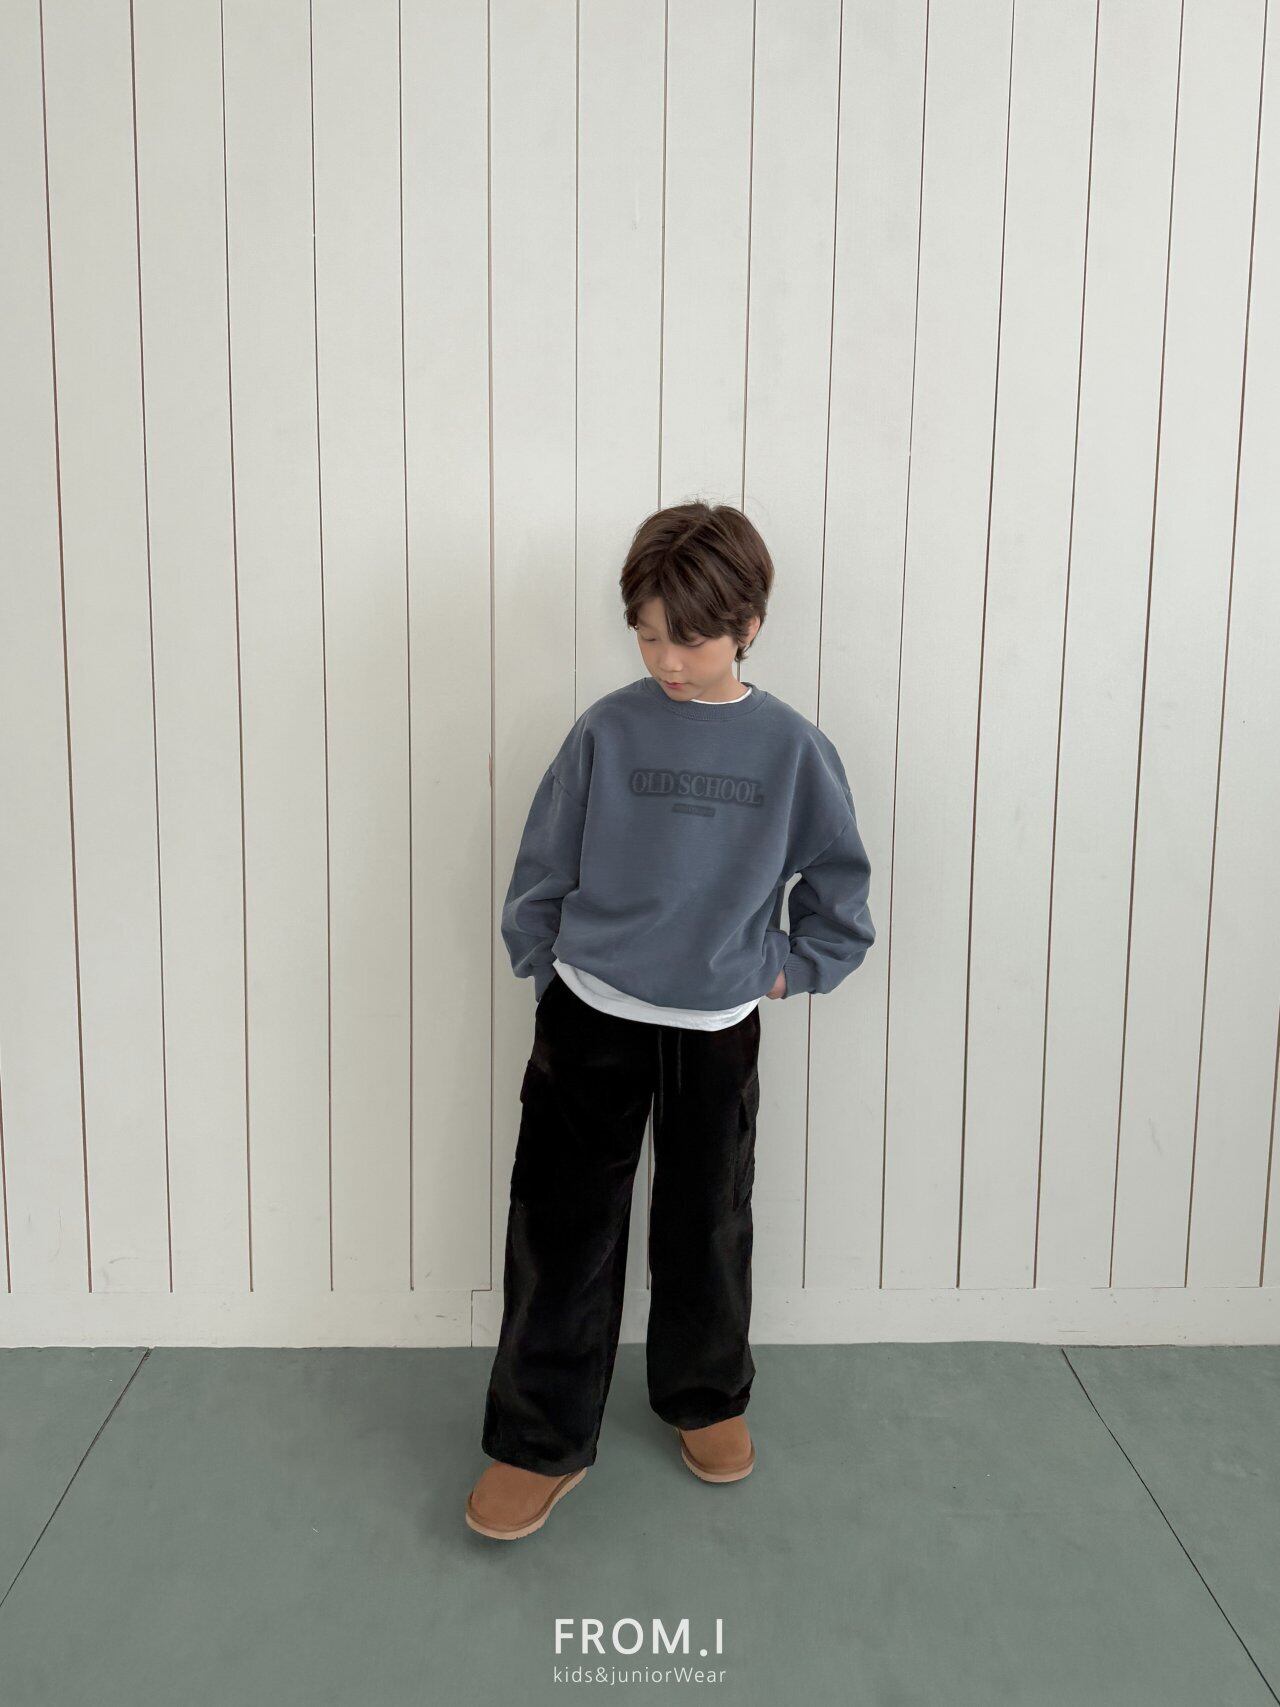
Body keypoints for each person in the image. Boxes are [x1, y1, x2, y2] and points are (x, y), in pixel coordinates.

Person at [465, 502, 875, 1540]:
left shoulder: (792, 751)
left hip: (716, 1026)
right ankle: (538, 1439)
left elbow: (839, 892)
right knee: (560, 1230)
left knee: (707, 1223)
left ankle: (704, 1397)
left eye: (687, 638)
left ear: (747, 625)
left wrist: (784, 969)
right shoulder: (607, 729)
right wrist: (543, 964)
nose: (665, 661)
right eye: (646, 635)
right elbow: (544, 859)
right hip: (589, 1014)